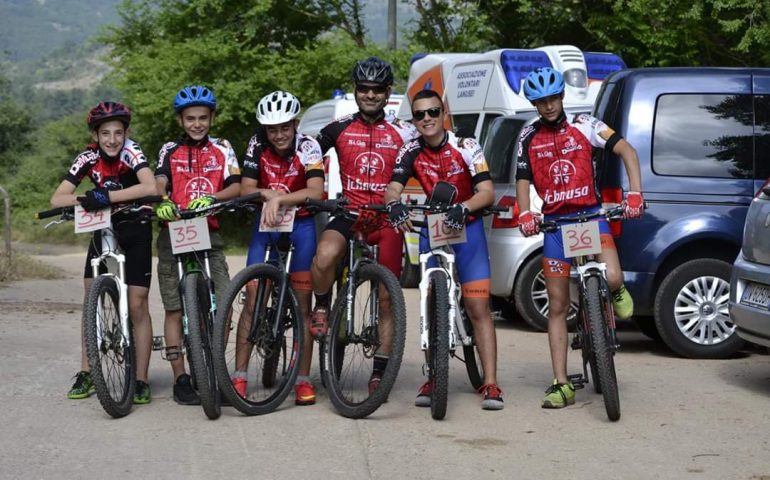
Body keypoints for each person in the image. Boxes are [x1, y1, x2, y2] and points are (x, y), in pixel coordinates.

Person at [515, 67, 644, 409]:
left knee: (613, 275)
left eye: (553, 99)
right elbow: (523, 179)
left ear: (562, 97)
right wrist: (526, 212)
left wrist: (635, 193)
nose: (548, 107)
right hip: (556, 225)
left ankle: (613, 291)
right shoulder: (528, 135)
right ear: (535, 103)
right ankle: (561, 383)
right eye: (541, 102)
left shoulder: (586, 124)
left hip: (591, 218)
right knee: (557, 305)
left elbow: (627, 151)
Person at [383, 89, 504, 411]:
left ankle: (490, 383)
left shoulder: (466, 145)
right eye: (420, 114)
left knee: (479, 308)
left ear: (443, 112)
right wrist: (394, 204)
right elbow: (392, 186)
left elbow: (487, 191)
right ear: (414, 118)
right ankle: (433, 376)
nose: (426, 119)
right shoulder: (409, 150)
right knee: (430, 304)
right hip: (434, 228)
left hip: (468, 226)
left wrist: (464, 208)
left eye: (433, 112)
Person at [309, 56, 417, 398]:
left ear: (388, 93)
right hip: (350, 212)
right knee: (324, 257)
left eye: (377, 90)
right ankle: (323, 306)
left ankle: (380, 370)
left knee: (387, 299)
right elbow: (304, 155)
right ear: (355, 91)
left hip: (385, 218)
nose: (370, 95)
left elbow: (433, 158)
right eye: (363, 89)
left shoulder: (405, 131)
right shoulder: (338, 128)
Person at [50, 101, 157, 404]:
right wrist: (87, 198)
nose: (112, 139)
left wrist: (107, 195)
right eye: (105, 133)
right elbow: (58, 198)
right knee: (90, 300)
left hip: (136, 225)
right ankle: (87, 371)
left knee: (137, 303)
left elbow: (150, 186)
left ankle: (140, 380)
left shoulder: (131, 151)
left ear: (126, 133)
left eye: (118, 133)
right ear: (96, 135)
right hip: (103, 225)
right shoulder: (87, 157)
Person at [153, 85, 241, 405]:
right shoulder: (169, 149)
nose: (197, 124)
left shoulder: (223, 147)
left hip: (209, 231)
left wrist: (213, 198)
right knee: (174, 307)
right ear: (181, 120)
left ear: (212, 117)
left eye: (203, 118)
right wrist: (161, 199)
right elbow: (160, 178)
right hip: (173, 231)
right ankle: (181, 377)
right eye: (190, 118)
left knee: (224, 299)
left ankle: (218, 370)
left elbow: (237, 184)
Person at [238, 91, 325, 405]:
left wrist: (279, 198)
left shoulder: (308, 146)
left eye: (284, 127)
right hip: (267, 227)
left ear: (295, 124)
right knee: (251, 300)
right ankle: (239, 376)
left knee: (302, 304)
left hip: (301, 226)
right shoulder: (256, 144)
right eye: (272, 129)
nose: (278, 135)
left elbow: (316, 189)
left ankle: (302, 380)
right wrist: (267, 193)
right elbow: (247, 188)